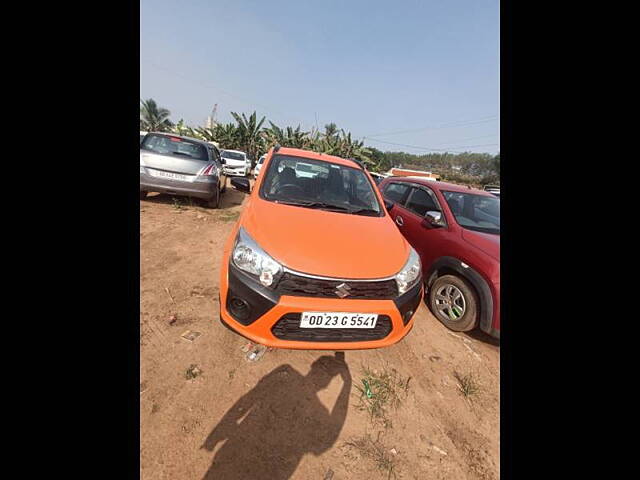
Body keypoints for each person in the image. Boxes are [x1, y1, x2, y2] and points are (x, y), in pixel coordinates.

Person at [200, 353, 351, 480]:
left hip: (249, 457)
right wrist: (347, 385)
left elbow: (249, 397)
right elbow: (326, 441)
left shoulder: (289, 381)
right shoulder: (312, 404)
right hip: (245, 455)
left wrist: (216, 435)